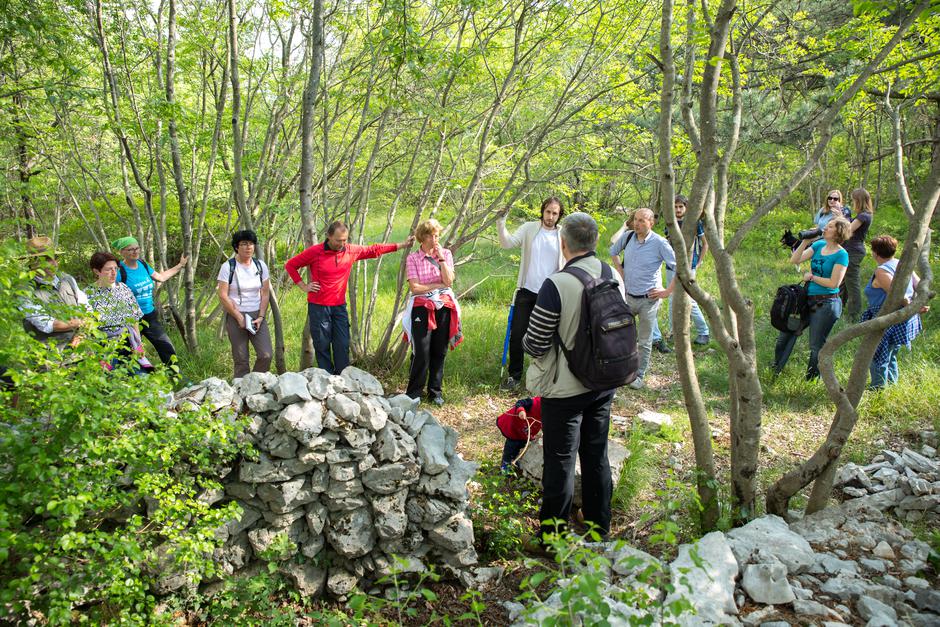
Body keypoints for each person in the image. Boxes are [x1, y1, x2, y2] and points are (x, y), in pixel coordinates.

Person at [523, 212, 615, 548]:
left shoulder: (557, 284)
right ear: (595, 241)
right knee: (596, 454)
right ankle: (598, 526)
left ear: (563, 244)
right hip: (603, 381)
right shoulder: (609, 273)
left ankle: (552, 539)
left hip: (566, 387)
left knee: (560, 461)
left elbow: (535, 342)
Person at [286, 222, 413, 374]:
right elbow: (291, 265)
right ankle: (327, 378)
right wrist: (303, 286)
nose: (342, 244)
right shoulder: (315, 252)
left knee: (342, 344)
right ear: (328, 236)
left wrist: (402, 245)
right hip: (318, 307)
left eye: (345, 240)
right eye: (338, 240)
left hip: (339, 307)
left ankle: (342, 377)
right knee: (322, 345)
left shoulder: (350, 250)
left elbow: (374, 250)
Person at [496, 197, 565, 390]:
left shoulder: (563, 234)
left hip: (550, 294)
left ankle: (546, 376)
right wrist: (501, 221)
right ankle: (514, 376)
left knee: (549, 336)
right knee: (517, 334)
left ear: (559, 215)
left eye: (555, 213)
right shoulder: (529, 228)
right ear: (542, 211)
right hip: (526, 290)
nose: (550, 216)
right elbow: (507, 243)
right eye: (548, 212)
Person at [773, 217, 850, 380]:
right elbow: (795, 260)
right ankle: (776, 368)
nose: (825, 228)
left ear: (839, 232)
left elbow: (834, 283)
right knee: (785, 333)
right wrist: (805, 242)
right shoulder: (819, 245)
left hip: (827, 303)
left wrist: (812, 277)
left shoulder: (842, 255)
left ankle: (812, 379)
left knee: (816, 345)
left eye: (830, 227)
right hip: (807, 299)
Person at [609, 208, 677, 389]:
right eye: (635, 220)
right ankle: (622, 367)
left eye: (641, 221)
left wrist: (667, 291)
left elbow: (678, 267)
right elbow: (613, 251)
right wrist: (620, 270)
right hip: (628, 297)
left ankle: (639, 375)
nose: (636, 224)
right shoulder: (628, 237)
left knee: (645, 340)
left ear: (651, 223)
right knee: (621, 334)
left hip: (649, 300)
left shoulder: (660, 243)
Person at [402, 219, 461, 406]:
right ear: (423, 237)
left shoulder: (446, 254)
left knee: (439, 350)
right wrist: (437, 285)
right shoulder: (413, 258)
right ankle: (414, 393)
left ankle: (435, 392)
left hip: (443, 305)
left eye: (437, 235)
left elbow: (449, 281)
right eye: (431, 236)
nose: (435, 239)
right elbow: (415, 288)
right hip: (422, 307)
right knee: (421, 350)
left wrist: (441, 258)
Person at [861, 235, 925, 389]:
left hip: (888, 317)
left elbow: (897, 294)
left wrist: (911, 305)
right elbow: (919, 285)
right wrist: (917, 303)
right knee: (890, 352)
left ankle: (878, 387)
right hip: (903, 315)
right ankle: (891, 383)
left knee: (878, 354)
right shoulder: (901, 264)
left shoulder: (882, 270)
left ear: (875, 253)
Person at [112, 236, 187, 367]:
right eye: (130, 249)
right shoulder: (119, 272)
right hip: (130, 319)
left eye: (137, 248)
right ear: (121, 252)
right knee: (128, 353)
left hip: (150, 315)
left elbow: (161, 277)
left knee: (166, 346)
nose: (135, 251)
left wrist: (180, 265)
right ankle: (127, 376)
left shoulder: (143, 264)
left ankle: (175, 374)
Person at [217, 230, 272, 379]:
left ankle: (254, 382)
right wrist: (238, 317)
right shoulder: (228, 267)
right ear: (236, 247)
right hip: (236, 314)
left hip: (256, 314)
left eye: (251, 244)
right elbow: (222, 295)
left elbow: (265, 293)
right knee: (241, 359)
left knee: (266, 355)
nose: (248, 247)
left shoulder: (260, 266)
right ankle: (241, 388)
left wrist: (261, 316)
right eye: (244, 244)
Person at [86, 251, 150, 373]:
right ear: (96, 271)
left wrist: (138, 345)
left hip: (129, 344)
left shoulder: (124, 288)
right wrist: (94, 356)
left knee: (142, 378)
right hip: (105, 349)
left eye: (116, 268)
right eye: (108, 269)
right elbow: (86, 328)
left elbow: (134, 319)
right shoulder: (88, 294)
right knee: (112, 381)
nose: (114, 273)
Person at [20, 236, 88, 347]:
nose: (55, 263)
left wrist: (81, 334)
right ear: (33, 262)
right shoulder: (24, 290)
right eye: (47, 259)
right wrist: (82, 323)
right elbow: (48, 324)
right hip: (50, 353)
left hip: (82, 347)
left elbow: (86, 307)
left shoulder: (67, 279)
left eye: (55, 257)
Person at [664, 194, 710, 345]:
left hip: (689, 266)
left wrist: (699, 262)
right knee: (672, 299)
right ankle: (673, 332)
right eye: (675, 207)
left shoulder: (694, 223)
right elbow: (667, 243)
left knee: (690, 299)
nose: (678, 210)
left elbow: (705, 244)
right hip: (671, 266)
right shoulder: (670, 223)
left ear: (686, 207)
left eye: (680, 207)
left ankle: (703, 332)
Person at [842, 188, 874, 322]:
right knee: (844, 281)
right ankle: (840, 307)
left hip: (854, 251)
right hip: (850, 250)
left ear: (858, 200)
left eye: (854, 200)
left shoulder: (863, 216)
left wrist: (843, 217)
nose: (852, 203)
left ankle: (854, 314)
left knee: (852, 283)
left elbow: (848, 230)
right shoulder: (862, 215)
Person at [496, 396, 543, 473]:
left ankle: (516, 462)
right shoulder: (534, 403)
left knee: (522, 446)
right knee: (511, 448)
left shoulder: (551, 412)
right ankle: (505, 470)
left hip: (525, 431)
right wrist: (521, 411)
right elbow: (520, 403)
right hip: (514, 427)